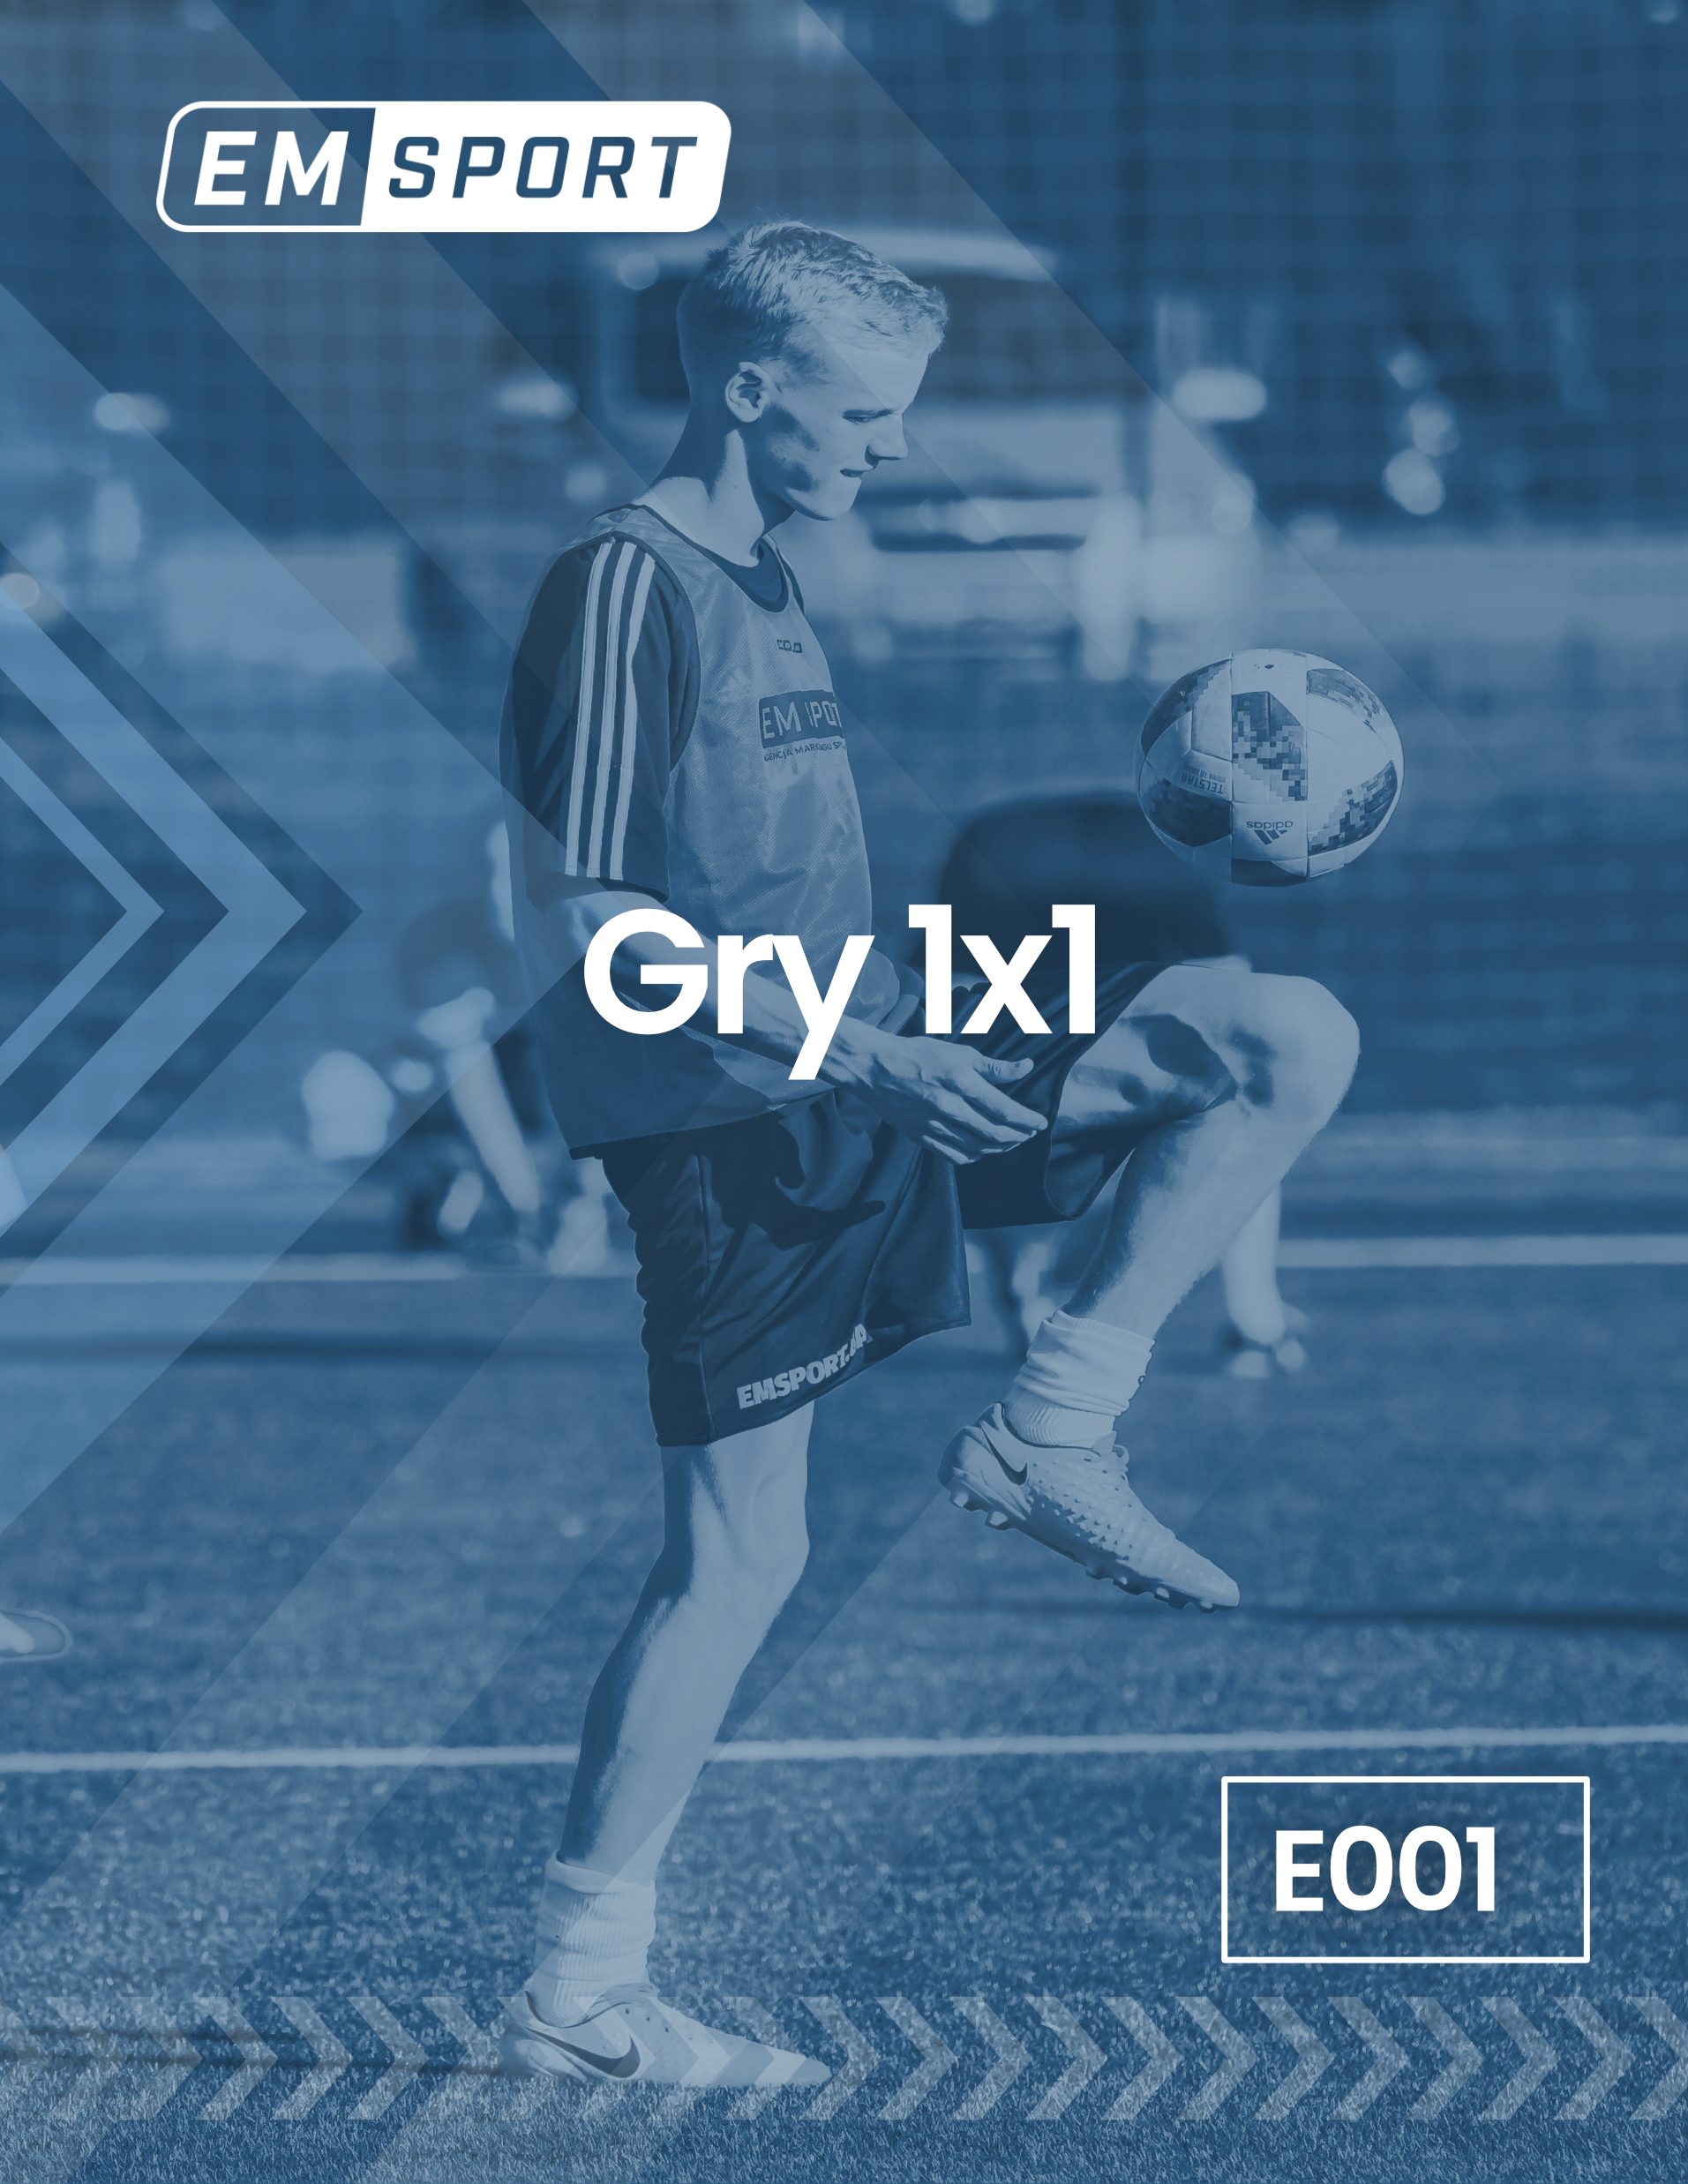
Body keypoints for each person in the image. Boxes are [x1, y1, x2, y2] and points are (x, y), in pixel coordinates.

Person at [498, 223, 1358, 2090]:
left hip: (873, 1042)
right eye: (864, 412)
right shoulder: (623, 584)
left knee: (1276, 1034)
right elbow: (585, 926)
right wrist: (863, 1052)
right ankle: (581, 1992)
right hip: (733, 1119)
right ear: (749, 390)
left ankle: (1056, 1426)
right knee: (740, 1561)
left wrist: (890, 1031)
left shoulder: (769, 570)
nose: (892, 445)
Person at [941, 794, 1309, 1375]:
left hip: (1000, 852)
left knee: (986, 1091)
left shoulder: (998, 842)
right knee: (1240, 1090)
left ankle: (1021, 1299)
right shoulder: (1158, 857)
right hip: (1143, 855)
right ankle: (1256, 1325)